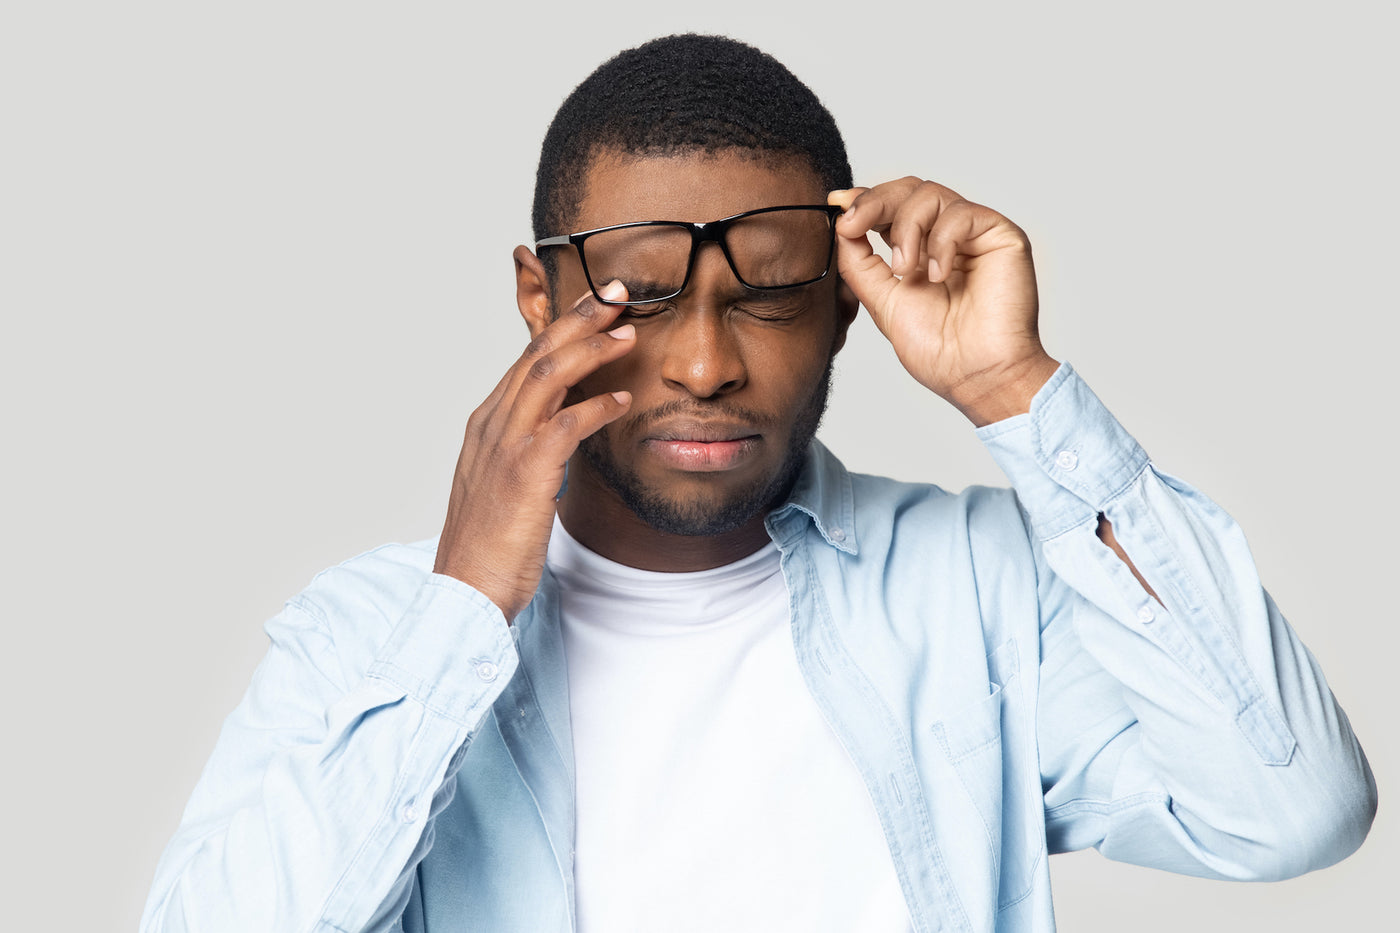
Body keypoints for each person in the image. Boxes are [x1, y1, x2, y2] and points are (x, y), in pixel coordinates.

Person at [141, 33, 1376, 933]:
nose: (703, 362)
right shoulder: (371, 637)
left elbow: (1292, 813)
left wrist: (1012, 387)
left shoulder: (984, 588)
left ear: (846, 301)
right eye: (637, 291)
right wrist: (464, 602)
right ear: (540, 297)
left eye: (773, 289)